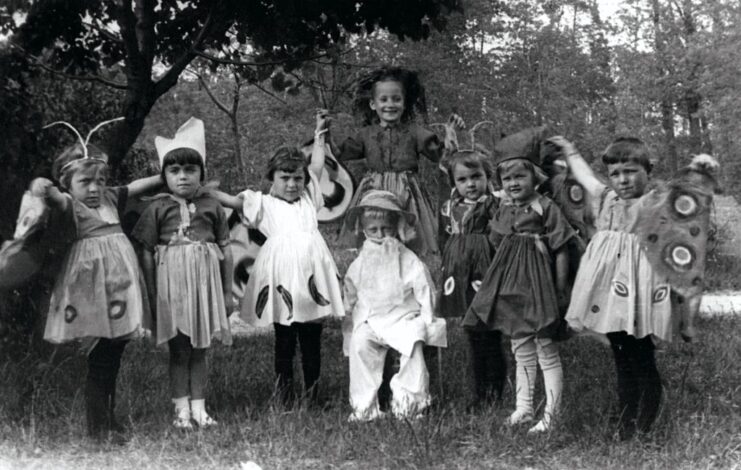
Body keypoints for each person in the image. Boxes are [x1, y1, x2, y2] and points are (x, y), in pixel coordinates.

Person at [552, 136, 718, 439]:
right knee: (621, 357)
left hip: (639, 295)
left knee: (641, 357)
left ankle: (643, 426)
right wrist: (570, 151)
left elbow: (689, 198)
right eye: (615, 173)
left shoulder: (656, 201)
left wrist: (700, 170)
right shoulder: (605, 198)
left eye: (630, 171)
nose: (623, 179)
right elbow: (587, 177)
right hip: (608, 293)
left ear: (648, 170)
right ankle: (626, 421)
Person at [30, 119, 160, 441]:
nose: (94, 188)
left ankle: (108, 421)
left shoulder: (112, 199)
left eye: (100, 181)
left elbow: (142, 184)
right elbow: (51, 195)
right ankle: (98, 428)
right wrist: (40, 184)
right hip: (93, 295)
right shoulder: (71, 206)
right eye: (85, 181)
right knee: (100, 358)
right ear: (69, 184)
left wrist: (167, 173)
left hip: (119, 291)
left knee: (114, 354)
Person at [211, 112, 344, 407]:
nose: (292, 184)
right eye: (285, 178)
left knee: (312, 338)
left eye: (297, 178)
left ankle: (313, 394)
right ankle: (285, 396)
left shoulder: (310, 199)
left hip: (311, 277)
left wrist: (319, 135)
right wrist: (201, 190)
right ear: (272, 178)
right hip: (282, 277)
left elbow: (317, 166)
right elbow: (232, 201)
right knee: (285, 339)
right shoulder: (263, 204)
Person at [464, 128, 575, 433]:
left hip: (539, 286)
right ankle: (524, 408)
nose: (513, 184)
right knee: (519, 346)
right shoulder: (503, 209)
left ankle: (552, 414)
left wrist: (559, 287)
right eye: (507, 179)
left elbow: (562, 247)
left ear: (536, 177)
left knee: (545, 347)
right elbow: (498, 241)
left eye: (519, 177)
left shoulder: (545, 207)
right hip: (511, 286)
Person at [132, 117, 233, 429]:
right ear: (164, 175)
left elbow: (226, 248)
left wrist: (227, 293)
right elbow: (146, 252)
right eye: (174, 170)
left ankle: (200, 408)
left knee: (200, 348)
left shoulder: (211, 205)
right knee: (179, 349)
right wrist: (152, 293)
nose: (183, 176)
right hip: (171, 287)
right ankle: (181, 411)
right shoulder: (157, 207)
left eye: (190, 169)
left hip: (203, 286)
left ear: (202, 173)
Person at [322, 65, 462, 256]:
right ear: (373, 104)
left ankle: (405, 262)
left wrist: (450, 135)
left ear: (404, 104)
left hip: (406, 190)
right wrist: (324, 132)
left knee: (405, 235)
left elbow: (440, 155)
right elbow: (339, 153)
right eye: (384, 99)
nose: (390, 104)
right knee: (375, 229)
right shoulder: (366, 134)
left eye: (396, 99)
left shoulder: (415, 133)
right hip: (374, 188)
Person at [342, 190, 447, 421]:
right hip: (371, 318)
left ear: (396, 228)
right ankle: (364, 407)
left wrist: (428, 318)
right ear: (364, 230)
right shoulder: (361, 262)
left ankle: (408, 404)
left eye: (386, 229)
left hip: (403, 317)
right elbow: (350, 290)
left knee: (412, 343)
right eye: (373, 230)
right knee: (360, 344)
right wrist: (348, 314)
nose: (380, 235)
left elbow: (424, 287)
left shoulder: (407, 258)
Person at [438, 148, 506, 411]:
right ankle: (481, 394)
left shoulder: (494, 204)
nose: (470, 184)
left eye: (476, 177)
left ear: (488, 177)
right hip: (461, 273)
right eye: (462, 179)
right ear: (454, 183)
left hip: (485, 271)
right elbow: (446, 238)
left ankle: (494, 393)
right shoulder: (450, 207)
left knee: (489, 333)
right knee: (473, 334)